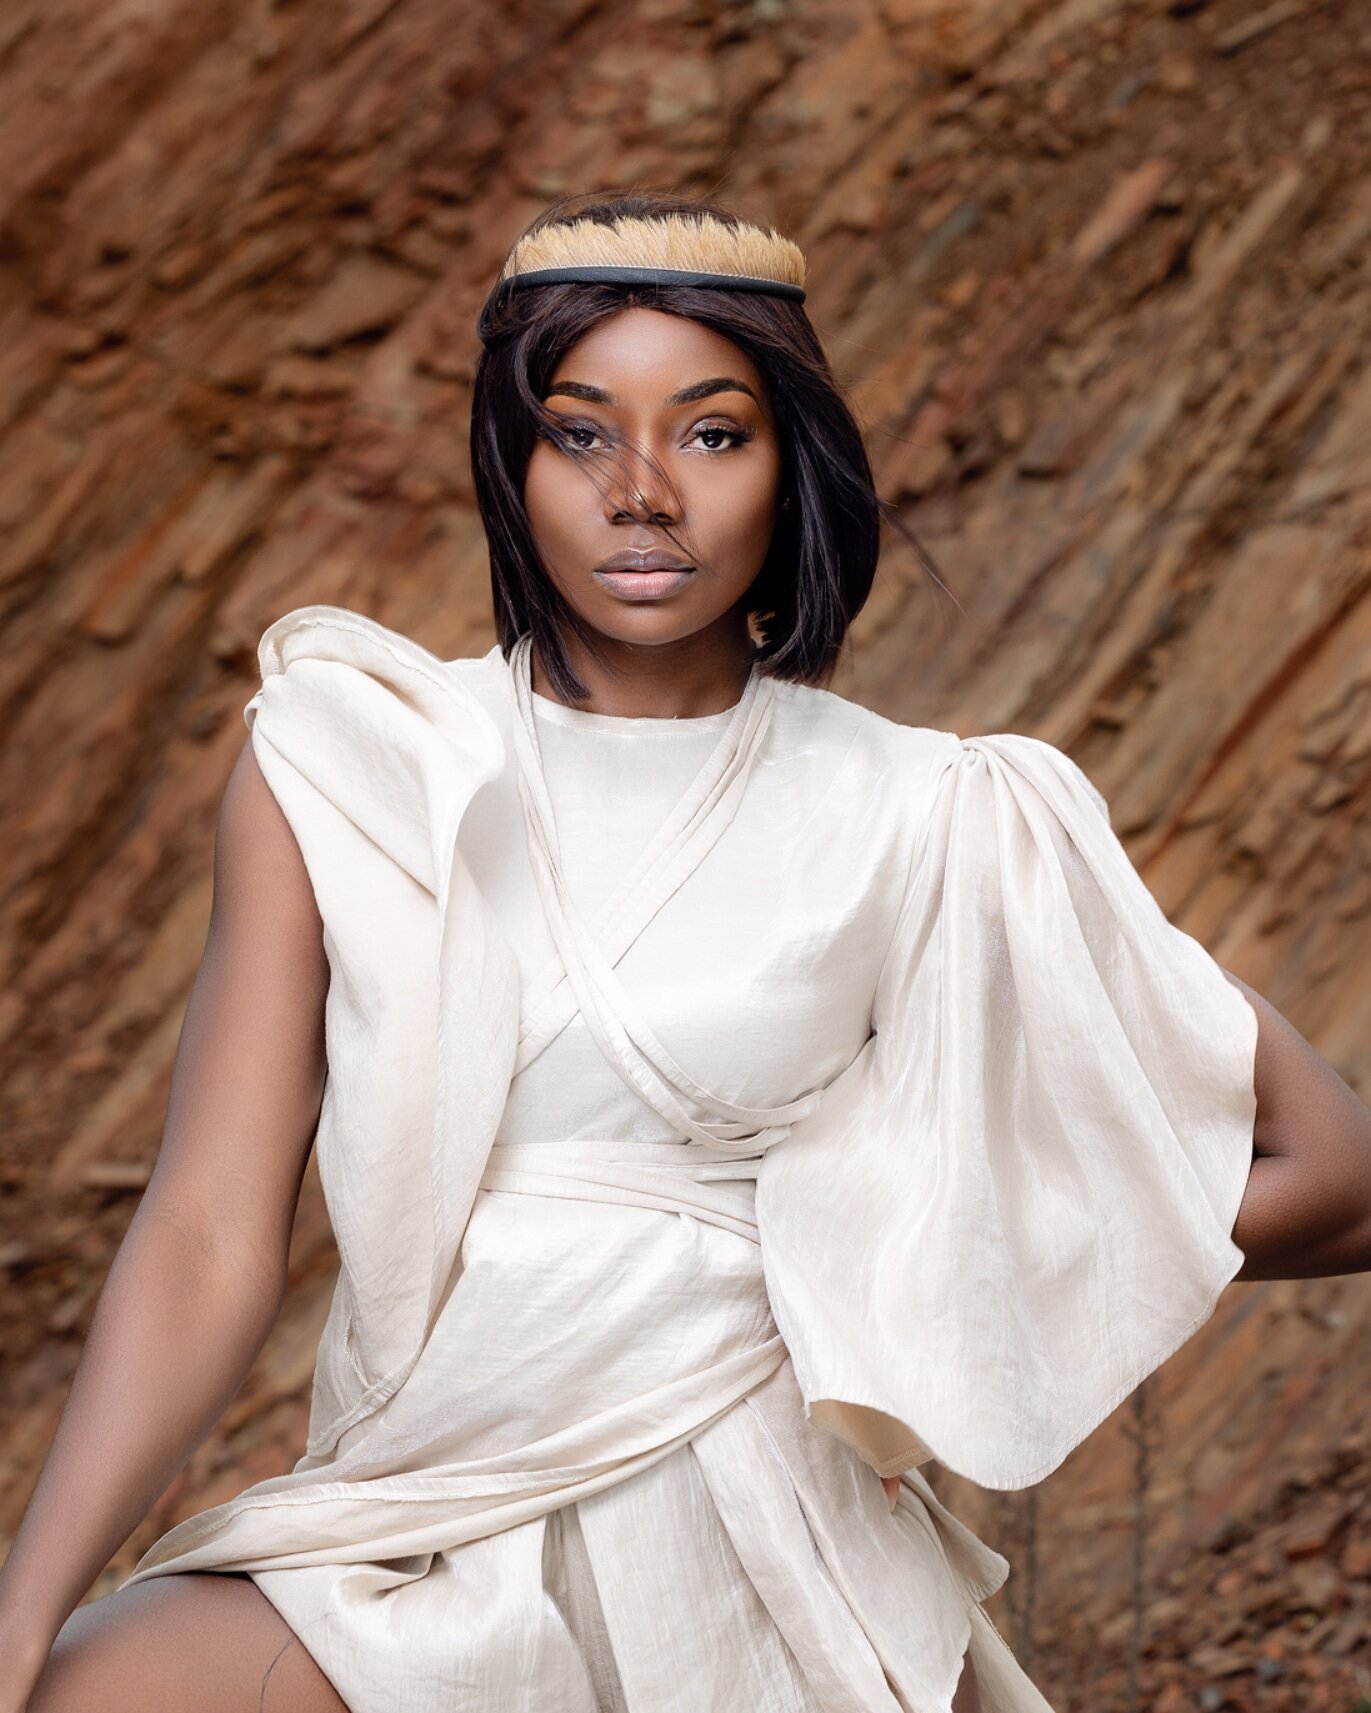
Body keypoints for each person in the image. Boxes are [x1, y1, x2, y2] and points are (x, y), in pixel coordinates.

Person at [3, 190, 1370, 1713]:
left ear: (793, 467)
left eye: (713, 434)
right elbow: (203, 1230)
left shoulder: (927, 808)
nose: (641, 489)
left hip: (780, 1553)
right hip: (422, 1510)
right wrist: (21, 1613)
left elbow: (1336, 1167)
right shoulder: (354, 762)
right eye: (580, 432)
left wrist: (910, 1252)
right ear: (508, 464)